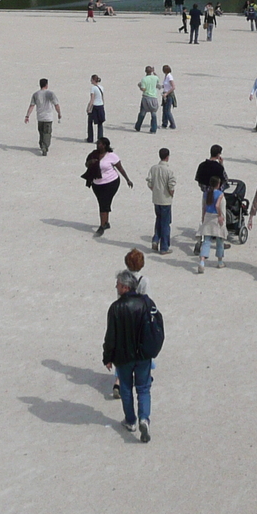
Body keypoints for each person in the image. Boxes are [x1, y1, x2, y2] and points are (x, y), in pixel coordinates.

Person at [102, 269, 156, 443]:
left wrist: (107, 357)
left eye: (117, 284)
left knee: (126, 389)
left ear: (125, 287)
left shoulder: (115, 308)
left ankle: (131, 420)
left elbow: (110, 336)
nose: (115, 286)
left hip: (123, 357)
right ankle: (144, 418)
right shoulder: (146, 303)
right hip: (142, 356)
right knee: (143, 388)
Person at [87, 137, 133, 236]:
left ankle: (101, 226)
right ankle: (106, 223)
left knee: (103, 204)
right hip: (97, 184)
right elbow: (87, 164)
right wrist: (90, 163)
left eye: (99, 143)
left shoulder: (112, 156)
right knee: (103, 202)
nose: (97, 145)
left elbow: (120, 168)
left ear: (104, 145)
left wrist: (127, 179)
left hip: (111, 183)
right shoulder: (93, 154)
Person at [146, 147, 175, 254]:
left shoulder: (153, 168)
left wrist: (154, 190)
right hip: (166, 200)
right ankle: (164, 247)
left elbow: (149, 182)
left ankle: (155, 240)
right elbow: (171, 185)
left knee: (158, 219)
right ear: (168, 157)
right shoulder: (169, 170)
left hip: (156, 199)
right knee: (165, 223)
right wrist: (171, 193)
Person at [24, 77, 61, 156]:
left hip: (40, 117)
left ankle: (41, 145)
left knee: (41, 132)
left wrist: (27, 116)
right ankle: (44, 147)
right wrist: (59, 113)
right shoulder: (50, 94)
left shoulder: (36, 94)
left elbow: (31, 106)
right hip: (48, 117)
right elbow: (56, 104)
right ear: (46, 85)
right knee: (47, 133)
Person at [197, 178, 227, 272]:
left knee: (206, 240)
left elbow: (204, 207)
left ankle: (202, 262)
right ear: (218, 184)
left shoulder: (206, 193)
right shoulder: (220, 194)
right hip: (216, 218)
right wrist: (220, 216)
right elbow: (218, 205)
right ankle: (220, 261)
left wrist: (203, 217)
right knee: (219, 240)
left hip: (208, 217)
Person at [134, 66, 160, 132]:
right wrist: (154, 72)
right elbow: (158, 79)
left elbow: (143, 89)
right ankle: (154, 129)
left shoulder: (144, 79)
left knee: (142, 113)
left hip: (146, 97)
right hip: (154, 97)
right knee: (153, 113)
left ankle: (138, 126)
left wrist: (140, 86)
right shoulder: (155, 78)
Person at [86, 74, 105, 143]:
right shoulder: (101, 87)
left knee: (90, 122)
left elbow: (92, 99)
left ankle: (90, 138)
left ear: (94, 80)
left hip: (95, 106)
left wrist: (88, 108)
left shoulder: (93, 88)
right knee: (100, 123)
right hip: (100, 106)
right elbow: (102, 98)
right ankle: (100, 139)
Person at [159, 65, 176, 130]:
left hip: (169, 95)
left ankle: (173, 124)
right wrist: (162, 86)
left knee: (167, 111)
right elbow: (166, 85)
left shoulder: (169, 77)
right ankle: (164, 124)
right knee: (164, 110)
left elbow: (173, 87)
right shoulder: (166, 76)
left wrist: (166, 93)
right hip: (165, 94)